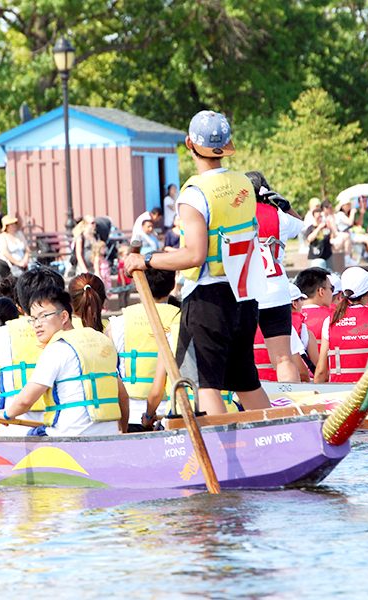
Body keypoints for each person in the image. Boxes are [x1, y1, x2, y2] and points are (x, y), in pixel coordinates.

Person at [125, 109, 270, 414]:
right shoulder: (244, 184)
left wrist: (145, 260)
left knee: (207, 384)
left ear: (189, 143)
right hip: (244, 296)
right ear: (226, 144)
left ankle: (222, 455)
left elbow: (194, 255)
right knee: (246, 380)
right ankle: (272, 439)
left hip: (209, 298)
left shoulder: (194, 194)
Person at [0, 285, 129, 436]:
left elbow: (25, 401)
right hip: (109, 434)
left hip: (69, 435)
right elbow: (122, 396)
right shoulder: (102, 341)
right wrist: (122, 429)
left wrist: (4, 415)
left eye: (43, 316)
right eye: (33, 319)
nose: (37, 324)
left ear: (64, 316)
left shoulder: (57, 349)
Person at [0, 267, 65, 434]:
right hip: (63, 428)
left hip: (16, 430)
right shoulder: (74, 331)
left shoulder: (1, 334)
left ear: (19, 307)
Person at [245, 170, 304, 382]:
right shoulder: (279, 216)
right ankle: (289, 403)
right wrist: (285, 206)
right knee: (283, 358)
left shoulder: (236, 215)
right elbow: (301, 226)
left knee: (242, 356)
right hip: (276, 289)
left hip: (245, 290)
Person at [107, 267, 180, 431]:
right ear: (172, 283)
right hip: (170, 412)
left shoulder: (117, 323)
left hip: (129, 414)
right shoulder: (182, 319)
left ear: (140, 285)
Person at [296, 267, 334, 353]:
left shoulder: (290, 318)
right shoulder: (334, 316)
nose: (332, 294)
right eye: (331, 289)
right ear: (321, 292)